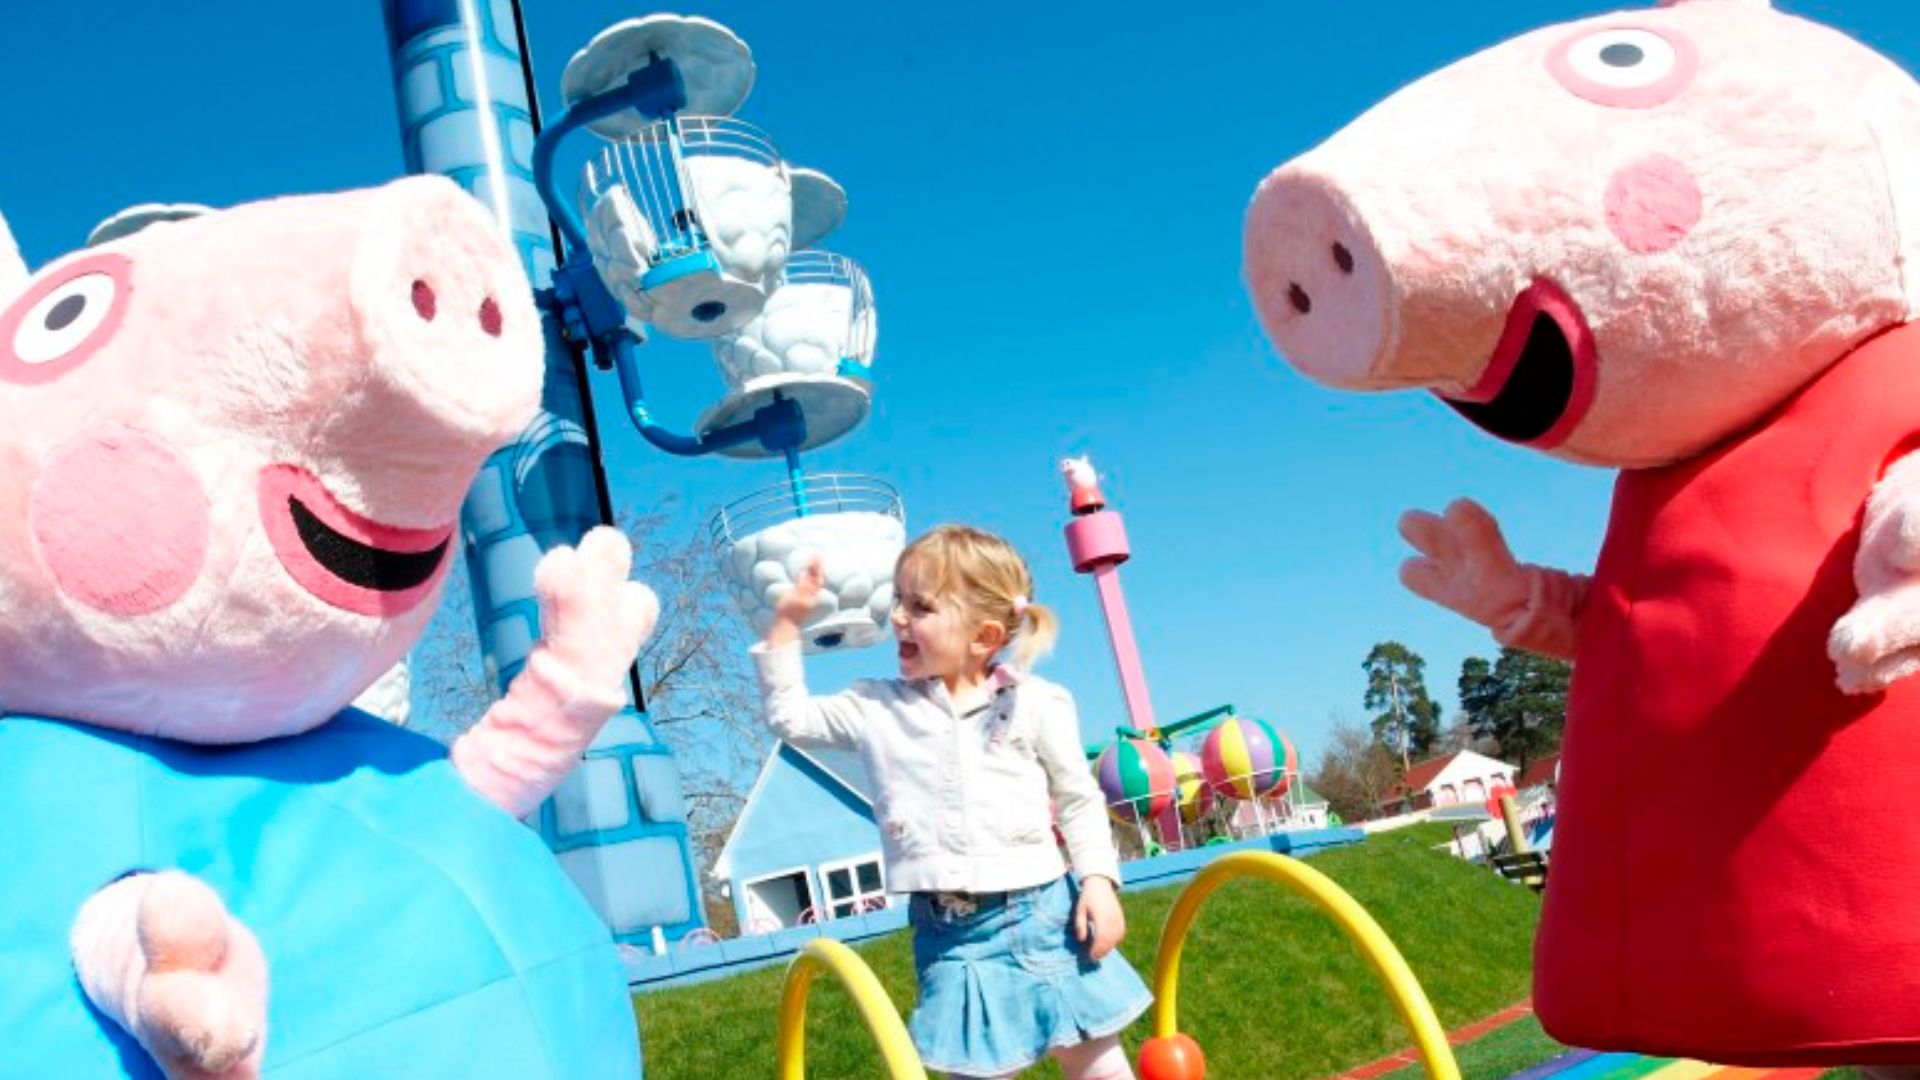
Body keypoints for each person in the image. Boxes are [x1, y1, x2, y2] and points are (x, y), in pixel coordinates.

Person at [753, 524, 1150, 1080]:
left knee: (1095, 1063)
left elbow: (1078, 799)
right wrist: (785, 626)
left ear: (984, 636)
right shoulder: (875, 707)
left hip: (1043, 915)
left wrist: (1099, 883)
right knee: (973, 1067)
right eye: (898, 599)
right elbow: (789, 718)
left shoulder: (1034, 702)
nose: (897, 616)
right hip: (949, 936)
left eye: (920, 606)